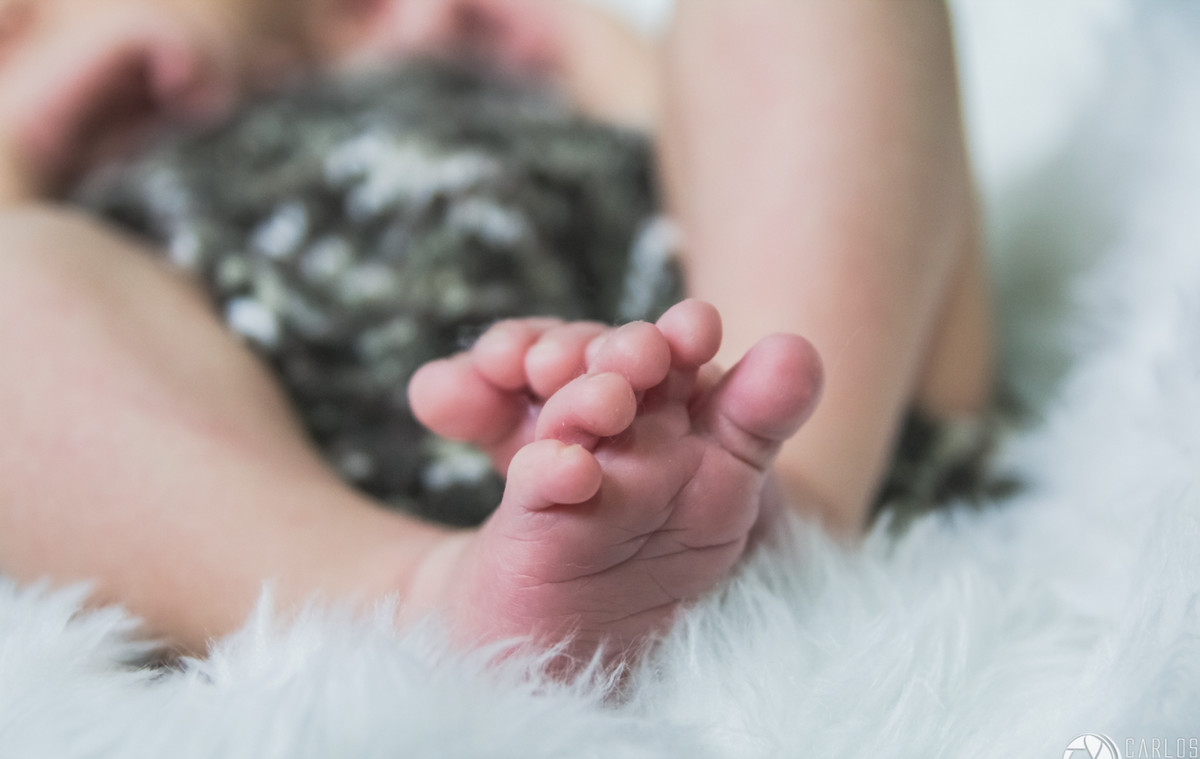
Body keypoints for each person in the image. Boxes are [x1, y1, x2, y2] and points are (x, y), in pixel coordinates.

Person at [0, 0, 990, 666]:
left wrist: (570, 39)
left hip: (717, 341)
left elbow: (727, 141)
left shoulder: (455, 44)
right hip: (289, 468)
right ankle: (424, 601)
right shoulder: (92, 212)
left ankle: (780, 490)